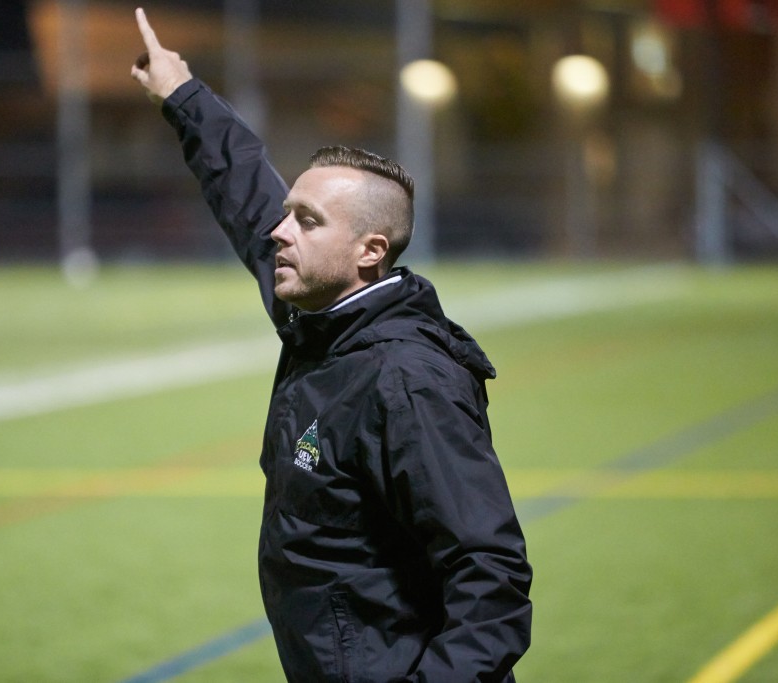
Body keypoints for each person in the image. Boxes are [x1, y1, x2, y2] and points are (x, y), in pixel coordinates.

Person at [131, 8, 532, 681]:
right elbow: (247, 193)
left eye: (306, 220)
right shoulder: (321, 318)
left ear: (369, 250)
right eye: (289, 213)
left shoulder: (408, 377)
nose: (279, 232)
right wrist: (182, 95)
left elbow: (490, 575)